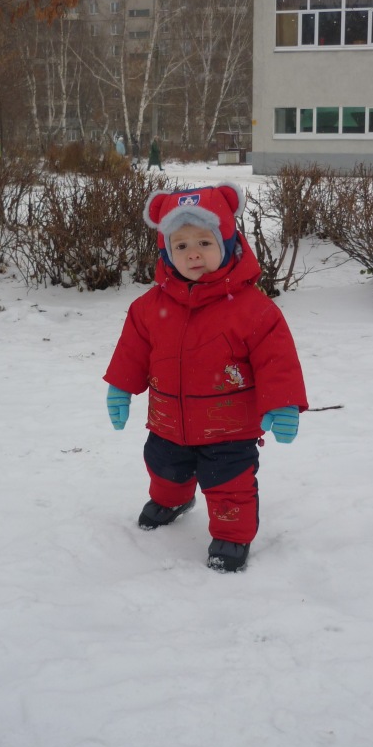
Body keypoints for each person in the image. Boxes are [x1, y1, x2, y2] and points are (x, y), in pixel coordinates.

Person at [103, 183, 308, 573]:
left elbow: (277, 361)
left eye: (204, 242)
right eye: (180, 245)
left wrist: (283, 404)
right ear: (166, 252)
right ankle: (173, 500)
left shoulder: (253, 310)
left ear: (227, 244)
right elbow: (132, 352)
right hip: (167, 422)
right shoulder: (148, 308)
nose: (193, 253)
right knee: (163, 469)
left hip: (229, 429)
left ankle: (232, 536)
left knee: (229, 484)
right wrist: (120, 388)